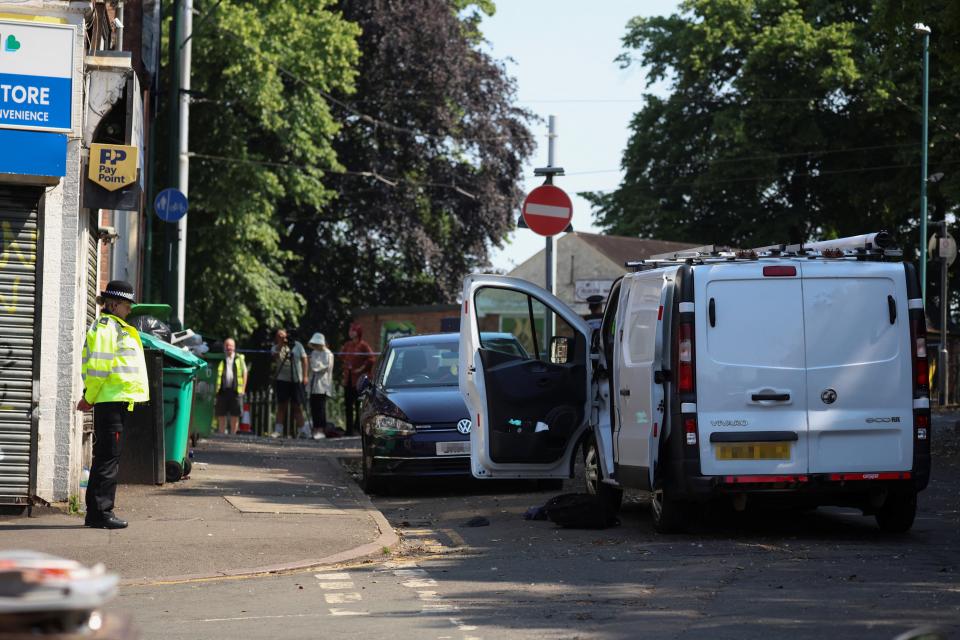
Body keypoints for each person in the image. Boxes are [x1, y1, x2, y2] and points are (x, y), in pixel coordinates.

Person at [76, 280, 149, 530]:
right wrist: (90, 397)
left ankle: (96, 513)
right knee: (108, 459)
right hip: (110, 401)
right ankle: (101, 513)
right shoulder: (108, 328)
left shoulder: (114, 327)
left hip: (115, 401)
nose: (130, 309)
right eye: (127, 304)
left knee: (106, 458)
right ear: (115, 304)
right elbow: (99, 368)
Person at [271, 328, 308, 437]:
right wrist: (281, 344)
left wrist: (305, 376)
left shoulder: (298, 345)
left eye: (283, 335)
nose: (282, 337)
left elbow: (304, 359)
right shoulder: (276, 347)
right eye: (279, 336)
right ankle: (278, 430)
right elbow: (275, 356)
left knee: (297, 405)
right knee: (282, 405)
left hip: (296, 379)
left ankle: (302, 430)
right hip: (282, 379)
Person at [340, 322, 375, 435]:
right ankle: (349, 430)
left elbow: (371, 359)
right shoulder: (348, 345)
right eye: (350, 330)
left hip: (359, 381)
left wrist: (361, 368)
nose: (350, 332)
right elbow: (341, 356)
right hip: (348, 380)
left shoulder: (363, 345)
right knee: (348, 406)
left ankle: (358, 428)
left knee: (359, 405)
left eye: (353, 330)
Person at [215, 337, 247, 435]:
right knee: (221, 414)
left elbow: (245, 373)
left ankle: (233, 435)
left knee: (235, 414)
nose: (229, 347)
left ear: (234, 347)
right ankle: (221, 434)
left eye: (231, 345)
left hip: (236, 390)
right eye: (227, 345)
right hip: (222, 389)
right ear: (224, 346)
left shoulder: (239, 358)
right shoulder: (220, 357)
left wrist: (243, 389)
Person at [307, 333, 334, 439]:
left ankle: (321, 429)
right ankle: (315, 428)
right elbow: (312, 365)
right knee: (313, 407)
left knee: (320, 408)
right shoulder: (314, 353)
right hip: (313, 383)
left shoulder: (328, 354)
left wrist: (317, 366)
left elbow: (325, 367)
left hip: (322, 384)